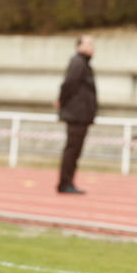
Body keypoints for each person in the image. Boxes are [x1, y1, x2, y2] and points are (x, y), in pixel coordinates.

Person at [55, 35, 97, 194]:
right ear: (79, 46)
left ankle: (68, 182)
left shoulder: (84, 64)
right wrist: (61, 102)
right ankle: (65, 183)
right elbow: (68, 84)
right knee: (72, 151)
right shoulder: (78, 63)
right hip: (76, 115)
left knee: (74, 151)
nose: (93, 47)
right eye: (89, 44)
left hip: (81, 115)